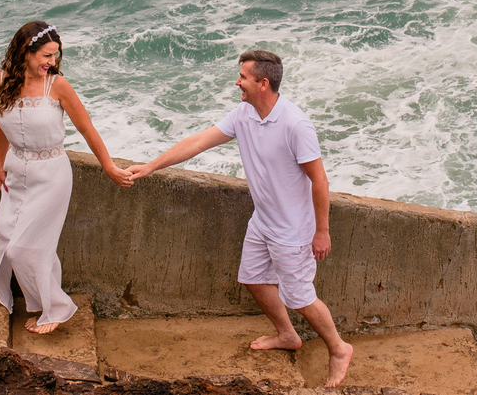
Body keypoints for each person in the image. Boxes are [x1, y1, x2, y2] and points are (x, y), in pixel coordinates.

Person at [128, 50, 354, 387]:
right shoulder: (244, 114)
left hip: (293, 229)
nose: (237, 82)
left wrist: (322, 231)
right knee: (251, 278)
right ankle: (288, 335)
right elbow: (198, 141)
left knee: (300, 296)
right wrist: (150, 167)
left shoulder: (295, 124)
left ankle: (338, 348)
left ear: (263, 83)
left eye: (243, 77)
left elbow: (319, 181)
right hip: (263, 220)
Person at [0, 21, 132, 334]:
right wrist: (0, 162)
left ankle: (56, 308)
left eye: (55, 56)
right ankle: (42, 300)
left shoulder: (57, 85)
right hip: (16, 170)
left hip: (52, 174)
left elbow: (86, 128)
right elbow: (1, 123)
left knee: (25, 247)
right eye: (46, 55)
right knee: (5, 235)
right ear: (25, 52)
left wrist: (109, 167)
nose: (52, 63)